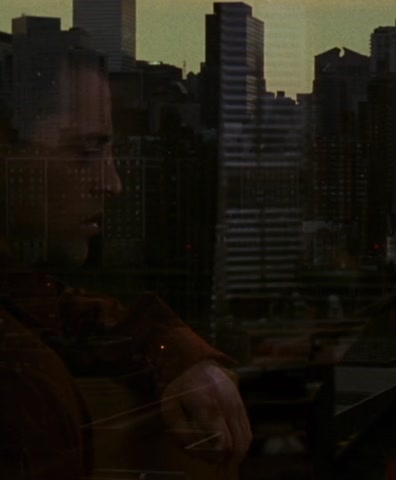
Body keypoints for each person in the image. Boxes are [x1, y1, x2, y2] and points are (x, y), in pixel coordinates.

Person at [0, 62, 251, 478]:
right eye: (86, 151)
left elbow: (59, 311)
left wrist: (174, 351)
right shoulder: (19, 376)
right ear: (6, 151)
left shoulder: (15, 302)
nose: (113, 183)